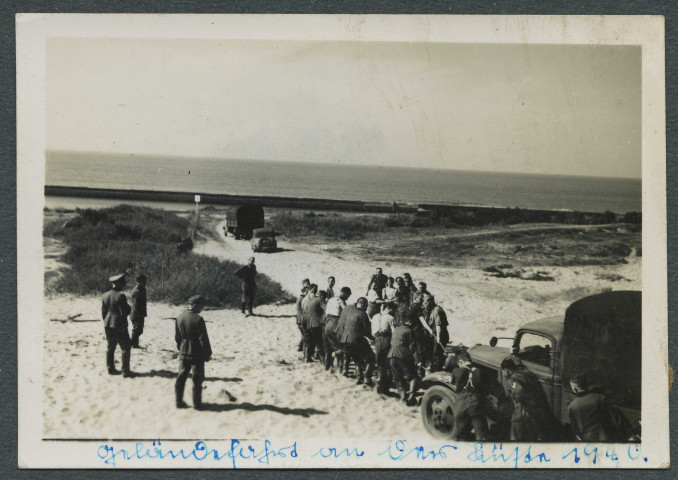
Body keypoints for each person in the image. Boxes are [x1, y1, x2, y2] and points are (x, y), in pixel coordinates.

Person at [501, 357, 561, 441]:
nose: (503, 373)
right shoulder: (527, 373)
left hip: (527, 411)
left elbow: (519, 390)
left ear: (506, 369)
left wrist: (519, 404)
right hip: (540, 408)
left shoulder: (512, 380)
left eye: (503, 370)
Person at [175, 295, 212, 410]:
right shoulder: (198, 319)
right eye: (201, 305)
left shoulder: (179, 317)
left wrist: (180, 349)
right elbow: (203, 339)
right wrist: (207, 354)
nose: (202, 308)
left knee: (181, 378)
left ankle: (178, 402)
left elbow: (177, 337)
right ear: (195, 305)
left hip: (183, 351)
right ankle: (197, 404)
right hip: (196, 353)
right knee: (197, 379)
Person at [568, 372, 623, 442]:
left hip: (586, 439)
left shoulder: (572, 405)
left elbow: (575, 430)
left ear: (575, 389)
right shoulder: (600, 397)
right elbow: (613, 420)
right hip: (604, 436)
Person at [449, 351, 488, 441]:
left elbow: (452, 382)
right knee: (481, 433)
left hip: (462, 403)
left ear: (460, 362)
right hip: (476, 402)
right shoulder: (480, 371)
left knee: (462, 433)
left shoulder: (456, 371)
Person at [101, 273, 134, 378]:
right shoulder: (121, 296)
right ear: (118, 284)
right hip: (119, 324)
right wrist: (129, 308)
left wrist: (107, 321)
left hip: (108, 323)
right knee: (125, 347)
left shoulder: (105, 295)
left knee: (110, 347)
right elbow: (125, 311)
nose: (124, 285)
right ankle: (125, 371)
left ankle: (110, 369)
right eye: (123, 283)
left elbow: (104, 312)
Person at [338, 297, 375, 386]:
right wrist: (372, 338)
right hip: (356, 340)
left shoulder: (350, 311)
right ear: (362, 304)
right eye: (366, 306)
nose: (366, 308)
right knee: (371, 358)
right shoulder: (362, 314)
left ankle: (359, 377)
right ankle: (367, 377)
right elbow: (367, 329)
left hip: (346, 340)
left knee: (357, 359)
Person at [388, 314, 419, 405]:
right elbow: (413, 348)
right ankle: (411, 397)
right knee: (413, 377)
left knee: (398, 379)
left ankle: (403, 399)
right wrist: (418, 361)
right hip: (402, 357)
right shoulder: (409, 331)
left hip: (392, 356)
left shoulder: (396, 330)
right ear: (410, 322)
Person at [323, 286, 351, 371]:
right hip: (335, 324)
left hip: (326, 324)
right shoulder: (341, 301)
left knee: (328, 347)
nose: (347, 297)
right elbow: (346, 313)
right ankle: (340, 368)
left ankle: (327, 366)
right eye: (348, 295)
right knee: (340, 347)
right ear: (344, 293)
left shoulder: (331, 299)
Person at [371, 302, 395, 394]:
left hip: (377, 340)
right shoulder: (390, 317)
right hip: (386, 339)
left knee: (380, 363)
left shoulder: (375, 316)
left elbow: (372, 331)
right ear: (389, 308)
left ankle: (380, 384)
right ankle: (385, 387)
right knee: (387, 363)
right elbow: (394, 331)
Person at [421, 295, 449, 372]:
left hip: (440, 333)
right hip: (435, 333)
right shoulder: (430, 309)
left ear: (430, 302)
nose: (424, 305)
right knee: (432, 353)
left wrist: (438, 338)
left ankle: (437, 371)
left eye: (426, 303)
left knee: (437, 354)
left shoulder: (436, 310)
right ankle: (434, 368)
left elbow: (438, 325)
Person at [305, 289, 327, 363]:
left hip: (309, 323)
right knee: (319, 341)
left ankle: (307, 357)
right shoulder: (320, 299)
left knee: (311, 341)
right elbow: (326, 308)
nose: (324, 299)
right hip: (316, 323)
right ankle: (322, 359)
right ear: (322, 295)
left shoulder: (312, 300)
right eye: (324, 297)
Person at [130, 274, 148, 348]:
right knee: (137, 329)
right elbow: (136, 305)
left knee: (139, 330)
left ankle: (134, 344)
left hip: (140, 313)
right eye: (144, 281)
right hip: (136, 313)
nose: (145, 283)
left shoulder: (142, 289)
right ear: (139, 281)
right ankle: (132, 344)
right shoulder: (136, 291)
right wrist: (140, 315)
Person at [295, 279, 311, 352]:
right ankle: (302, 348)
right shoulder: (303, 298)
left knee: (304, 334)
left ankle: (300, 346)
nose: (308, 285)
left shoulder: (301, 297)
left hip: (300, 319)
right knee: (305, 335)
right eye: (306, 283)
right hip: (302, 319)